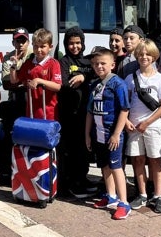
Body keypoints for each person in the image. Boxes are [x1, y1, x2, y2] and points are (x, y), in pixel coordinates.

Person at [124, 39, 161, 213]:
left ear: (154, 57)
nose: (144, 57)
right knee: (137, 159)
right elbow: (126, 103)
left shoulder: (160, 79)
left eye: (148, 54)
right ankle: (142, 193)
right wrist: (127, 121)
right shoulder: (130, 78)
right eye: (141, 54)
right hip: (134, 126)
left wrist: (147, 122)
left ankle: (157, 195)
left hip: (152, 126)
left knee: (155, 159)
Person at [85, 47, 131, 220]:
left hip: (113, 134)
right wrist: (87, 135)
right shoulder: (94, 85)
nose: (99, 66)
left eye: (103, 63)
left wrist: (116, 133)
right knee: (104, 166)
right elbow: (90, 111)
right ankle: (110, 195)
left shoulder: (118, 84)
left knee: (116, 167)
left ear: (112, 64)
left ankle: (124, 202)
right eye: (95, 64)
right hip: (98, 134)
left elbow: (124, 110)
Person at [57, 26, 98, 198]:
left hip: (86, 114)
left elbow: (97, 73)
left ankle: (83, 178)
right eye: (71, 43)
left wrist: (83, 76)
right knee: (71, 150)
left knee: (84, 149)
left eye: (78, 43)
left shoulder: (89, 62)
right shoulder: (64, 62)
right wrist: (83, 77)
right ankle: (72, 183)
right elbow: (65, 83)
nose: (75, 46)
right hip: (69, 114)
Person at [0, 27, 33, 178]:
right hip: (16, 101)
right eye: (17, 41)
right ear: (13, 42)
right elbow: (7, 84)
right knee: (12, 135)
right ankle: (10, 170)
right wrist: (23, 81)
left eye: (23, 40)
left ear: (28, 41)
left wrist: (18, 79)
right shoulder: (8, 58)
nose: (20, 44)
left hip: (32, 102)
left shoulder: (34, 54)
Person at [9, 28, 62, 121]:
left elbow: (57, 86)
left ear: (50, 47)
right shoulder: (29, 63)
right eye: (36, 46)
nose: (39, 50)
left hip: (49, 113)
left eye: (42, 46)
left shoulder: (53, 64)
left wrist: (39, 81)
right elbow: (14, 80)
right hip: (31, 112)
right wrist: (13, 66)